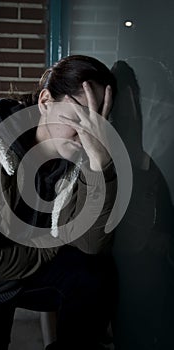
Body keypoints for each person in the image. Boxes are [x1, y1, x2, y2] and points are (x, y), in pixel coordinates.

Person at [0, 55, 117, 350]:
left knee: (95, 276)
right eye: (79, 117)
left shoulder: (81, 158)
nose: (86, 135)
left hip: (27, 270)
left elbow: (90, 245)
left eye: (97, 122)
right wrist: (55, 242)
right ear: (46, 100)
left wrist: (100, 168)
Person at [110, 60, 174, 349]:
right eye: (125, 99)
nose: (132, 108)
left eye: (135, 97)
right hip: (123, 259)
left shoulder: (150, 153)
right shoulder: (107, 154)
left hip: (147, 257)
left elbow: (162, 204)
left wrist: (163, 234)